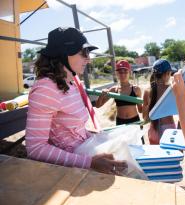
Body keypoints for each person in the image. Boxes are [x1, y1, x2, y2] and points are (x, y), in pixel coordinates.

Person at [25, 27, 127, 175]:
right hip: (72, 172)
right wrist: (89, 162)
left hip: (85, 156)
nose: (89, 58)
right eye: (84, 52)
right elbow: (35, 148)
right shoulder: (46, 89)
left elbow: (73, 129)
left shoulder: (71, 83)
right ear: (63, 54)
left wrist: (95, 138)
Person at [95, 60, 142, 125]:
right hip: (120, 122)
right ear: (117, 74)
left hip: (135, 121)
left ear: (129, 73)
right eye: (120, 72)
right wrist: (101, 95)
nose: (123, 74)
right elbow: (98, 105)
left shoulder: (136, 89)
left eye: (125, 71)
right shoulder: (114, 90)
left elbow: (140, 110)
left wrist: (148, 104)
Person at [143, 59, 176, 145]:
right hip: (169, 129)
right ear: (167, 74)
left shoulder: (147, 91)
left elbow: (145, 117)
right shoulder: (171, 89)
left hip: (153, 129)